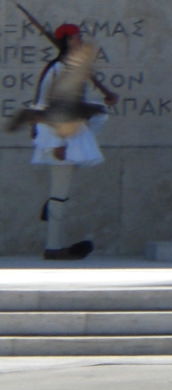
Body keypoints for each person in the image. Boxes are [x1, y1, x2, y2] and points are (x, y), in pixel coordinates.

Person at [30, 24, 111, 260]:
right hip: (58, 137)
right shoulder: (57, 69)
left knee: (61, 193)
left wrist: (100, 106)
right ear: (66, 40)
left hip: (71, 134)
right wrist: (57, 142)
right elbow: (46, 106)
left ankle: (51, 213)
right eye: (76, 37)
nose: (80, 41)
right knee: (60, 195)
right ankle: (53, 247)